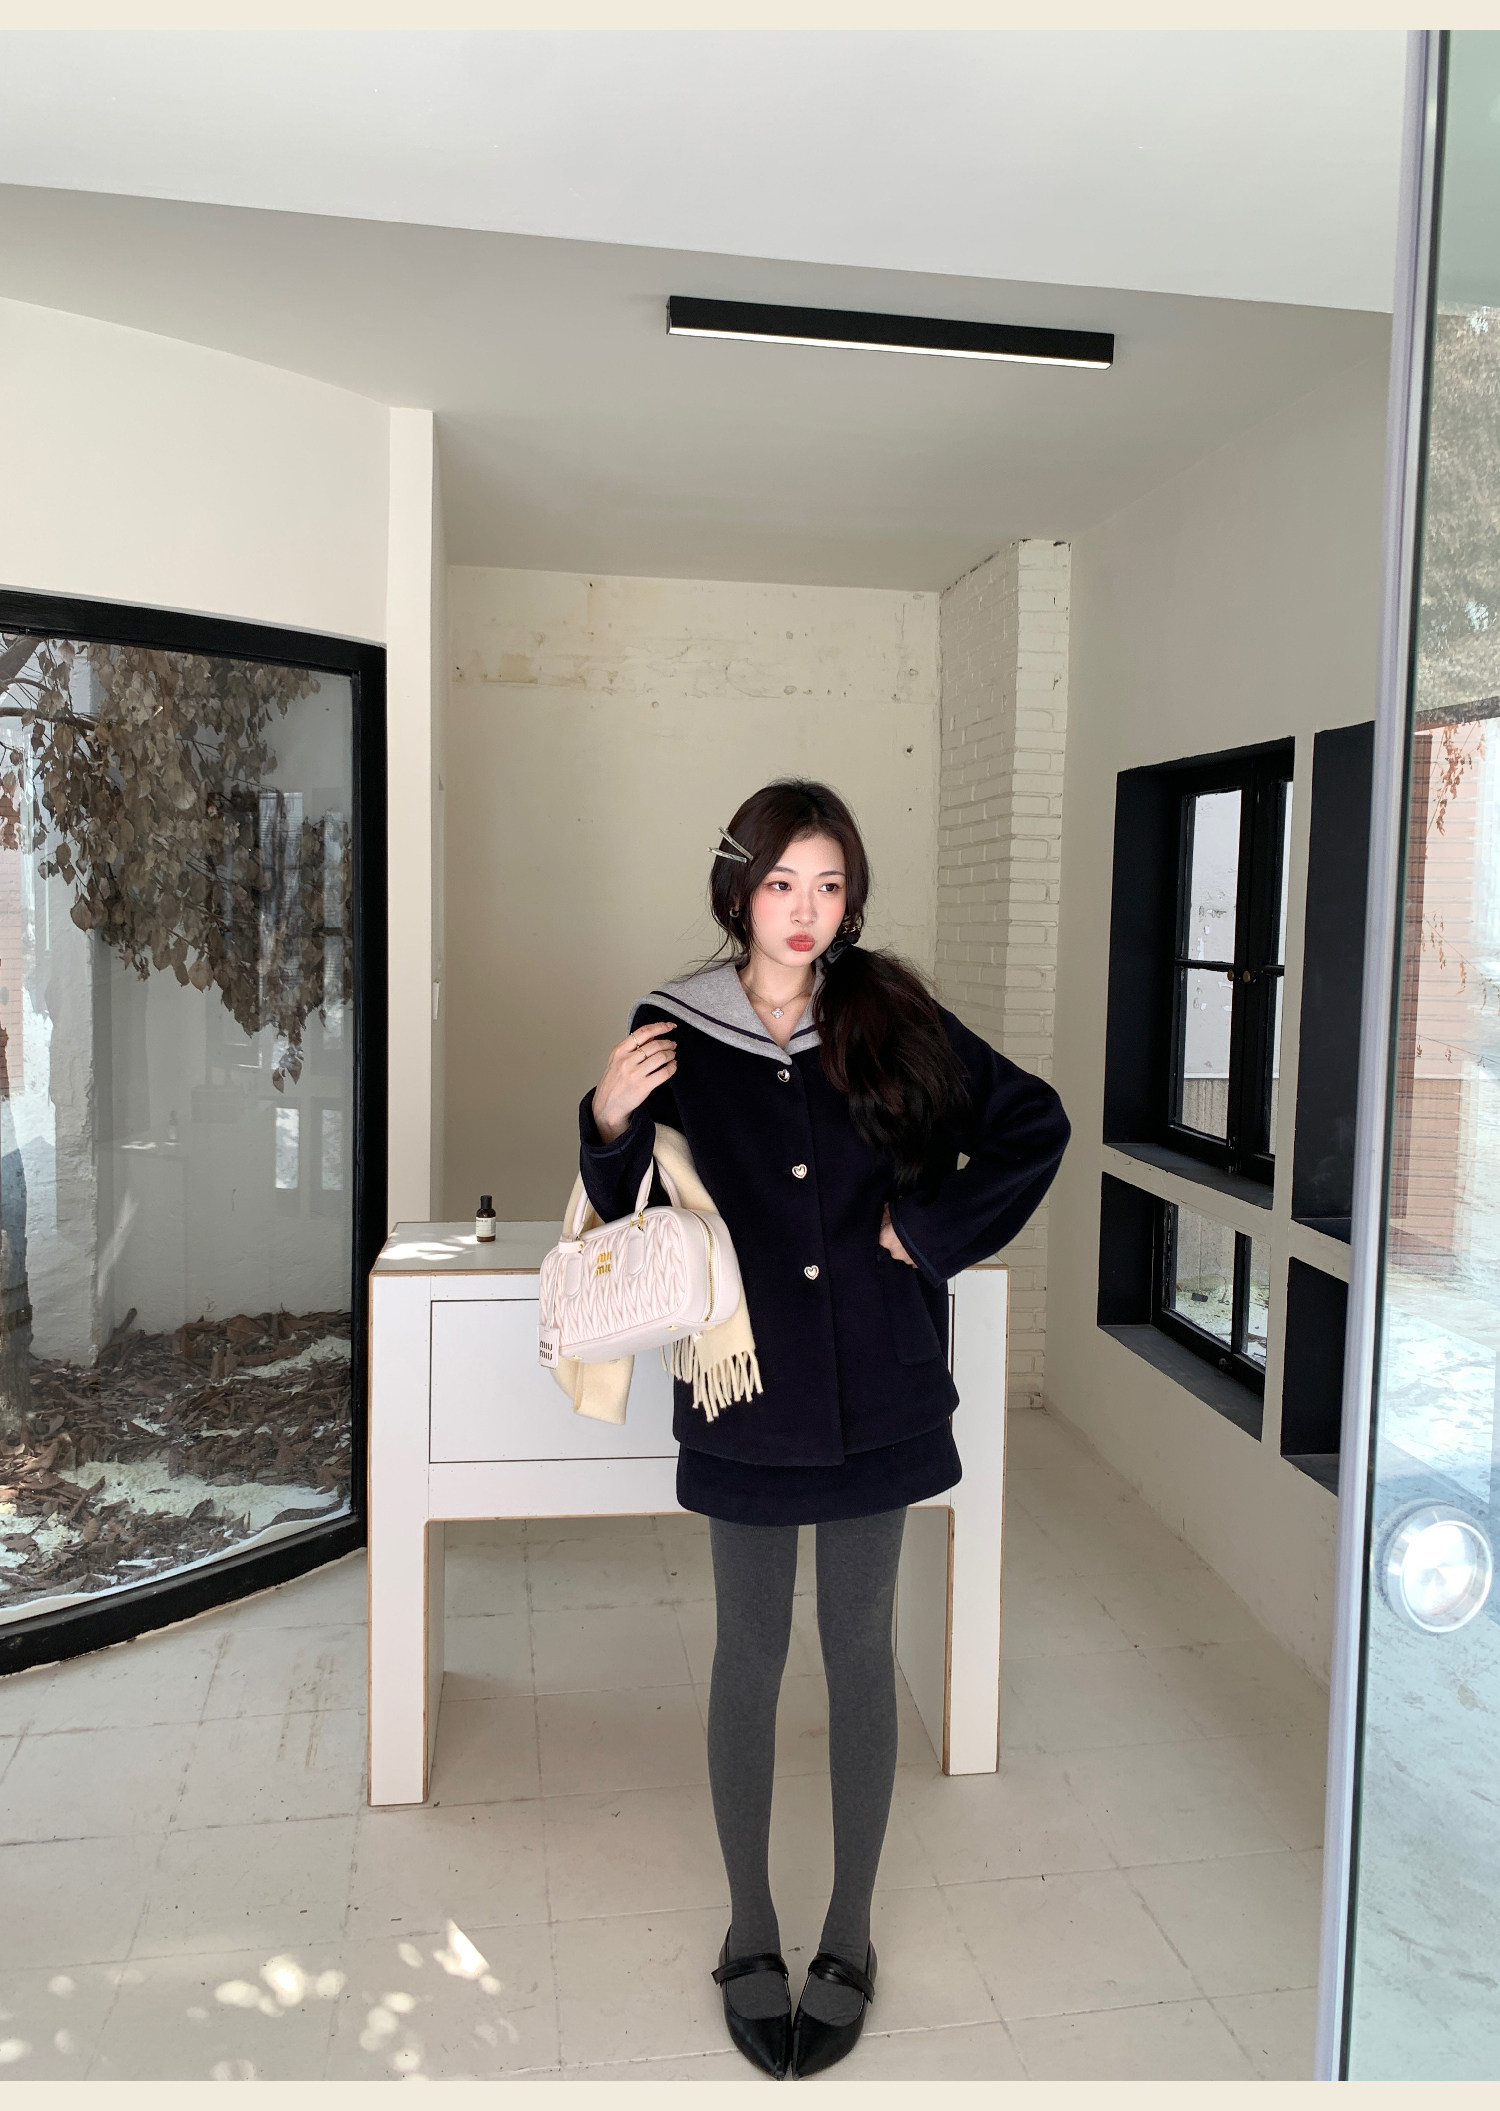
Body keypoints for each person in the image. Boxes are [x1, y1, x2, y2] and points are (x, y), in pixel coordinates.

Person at [579, 778, 1069, 2080]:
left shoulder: (890, 1015)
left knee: (859, 1652)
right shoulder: (673, 1025)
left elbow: (1034, 1124)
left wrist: (932, 1232)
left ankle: (848, 1937)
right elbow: (627, 1214)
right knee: (749, 1655)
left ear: (852, 899)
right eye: (782, 884)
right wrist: (609, 1121)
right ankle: (750, 1929)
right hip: (743, 1390)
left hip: (879, 1388)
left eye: (830, 885)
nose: (805, 912)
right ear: (738, 890)